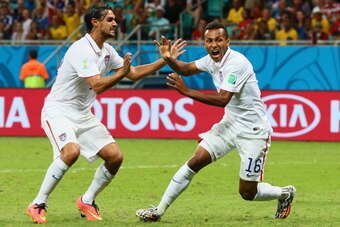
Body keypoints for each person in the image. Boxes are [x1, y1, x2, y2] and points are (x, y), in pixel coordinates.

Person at [26, 4, 185, 224]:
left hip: (83, 114)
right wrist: (121, 73)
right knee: (71, 152)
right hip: (58, 111)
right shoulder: (81, 49)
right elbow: (97, 85)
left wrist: (166, 60)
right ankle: (38, 202)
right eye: (110, 19)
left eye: (115, 20)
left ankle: (87, 200)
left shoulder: (107, 51)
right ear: (95, 22)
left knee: (114, 157)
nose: (115, 23)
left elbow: (135, 73)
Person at [136, 21, 296, 222]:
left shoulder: (237, 63)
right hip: (229, 125)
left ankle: (284, 193)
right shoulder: (212, 61)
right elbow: (185, 69)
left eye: (219, 40)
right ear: (204, 43)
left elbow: (223, 99)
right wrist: (168, 58)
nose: (214, 44)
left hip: (253, 131)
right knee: (195, 161)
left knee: (248, 193)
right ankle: (158, 210)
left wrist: (187, 91)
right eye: (209, 41)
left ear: (227, 41)